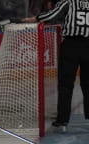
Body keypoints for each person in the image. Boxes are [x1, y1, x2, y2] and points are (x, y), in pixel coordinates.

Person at [22, 0, 89, 132]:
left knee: (65, 85)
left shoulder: (68, 2)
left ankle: (62, 121)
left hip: (71, 46)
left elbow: (51, 15)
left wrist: (35, 18)